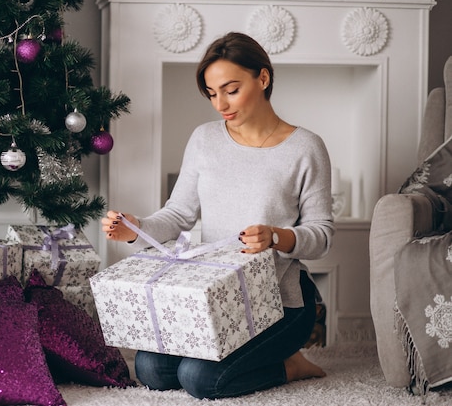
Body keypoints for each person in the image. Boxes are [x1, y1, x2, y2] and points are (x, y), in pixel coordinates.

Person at [101, 32, 334, 400]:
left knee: (199, 378)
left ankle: (291, 364)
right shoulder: (204, 139)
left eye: (230, 89)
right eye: (212, 93)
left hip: (279, 301)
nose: (220, 103)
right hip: (212, 296)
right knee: (151, 370)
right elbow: (178, 214)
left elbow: (321, 235)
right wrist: (136, 228)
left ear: (262, 78)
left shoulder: (305, 147)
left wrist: (276, 236)